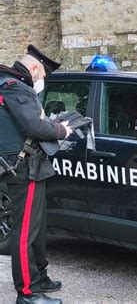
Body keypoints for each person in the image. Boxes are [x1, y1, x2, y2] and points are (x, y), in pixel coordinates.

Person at [0, 45, 73, 304]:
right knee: (24, 232)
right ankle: (27, 293)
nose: (42, 80)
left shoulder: (9, 84)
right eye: (42, 75)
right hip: (23, 168)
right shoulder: (14, 87)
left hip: (31, 166)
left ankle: (39, 278)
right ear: (33, 68)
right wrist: (61, 130)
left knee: (37, 228)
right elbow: (34, 125)